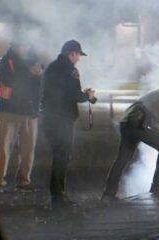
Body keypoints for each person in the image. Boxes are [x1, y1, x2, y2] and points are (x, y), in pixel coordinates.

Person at [40, 40, 97, 208]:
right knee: (62, 158)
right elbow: (76, 96)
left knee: (58, 156)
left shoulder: (51, 67)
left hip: (49, 118)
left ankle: (57, 195)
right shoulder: (71, 70)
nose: (78, 59)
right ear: (72, 53)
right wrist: (88, 95)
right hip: (63, 120)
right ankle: (58, 197)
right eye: (78, 55)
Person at [0, 41, 43, 192]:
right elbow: (9, 80)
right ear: (16, 47)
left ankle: (24, 180)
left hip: (30, 112)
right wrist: (30, 73)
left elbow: (38, 84)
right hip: (9, 110)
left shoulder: (32, 60)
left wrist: (38, 74)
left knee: (28, 149)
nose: (26, 48)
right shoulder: (7, 60)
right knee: (3, 147)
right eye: (23, 45)